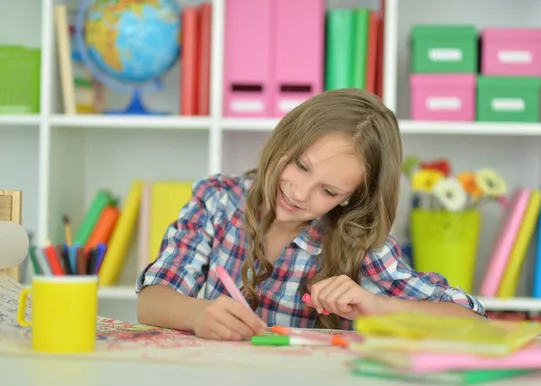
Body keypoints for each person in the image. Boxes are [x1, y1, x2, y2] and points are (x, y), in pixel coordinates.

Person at [136, 88, 486, 341]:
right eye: (301, 166)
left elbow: (471, 321)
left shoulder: (358, 245)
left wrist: (377, 305)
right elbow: (152, 301)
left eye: (329, 191)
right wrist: (198, 314)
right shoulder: (217, 199)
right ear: (284, 138)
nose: (299, 193)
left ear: (350, 199)